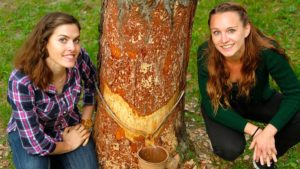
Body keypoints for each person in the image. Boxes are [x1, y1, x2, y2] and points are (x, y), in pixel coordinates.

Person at [197, 2, 300, 169]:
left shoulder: (267, 52)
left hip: (258, 101)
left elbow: (295, 93)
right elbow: (209, 103)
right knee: (229, 150)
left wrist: (269, 132)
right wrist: (256, 131)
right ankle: (252, 138)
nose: (224, 40)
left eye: (231, 30)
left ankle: (265, 154)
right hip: (223, 105)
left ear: (246, 29)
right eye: (217, 32)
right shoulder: (205, 54)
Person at [6, 12, 99, 169]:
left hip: (67, 124)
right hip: (30, 132)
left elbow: (92, 84)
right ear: (44, 42)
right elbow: (34, 143)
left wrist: (85, 122)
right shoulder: (21, 81)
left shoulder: (79, 58)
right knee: (34, 166)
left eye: (75, 40)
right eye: (63, 40)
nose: (73, 48)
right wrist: (68, 145)